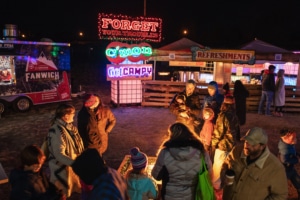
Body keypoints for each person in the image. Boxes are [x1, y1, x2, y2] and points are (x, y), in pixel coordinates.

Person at [221, 127, 288, 200]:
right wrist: (224, 175)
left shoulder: (275, 168)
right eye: (246, 141)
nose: (247, 145)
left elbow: (281, 195)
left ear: (262, 146)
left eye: (252, 144)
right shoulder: (236, 152)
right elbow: (225, 165)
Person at [151, 122, 213, 200]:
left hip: (170, 195)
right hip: (193, 195)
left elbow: (156, 176)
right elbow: (209, 174)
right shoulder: (201, 152)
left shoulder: (165, 153)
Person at [47, 104, 85, 198]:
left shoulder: (68, 128)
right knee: (62, 193)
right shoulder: (57, 131)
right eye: (72, 113)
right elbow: (59, 154)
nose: (74, 115)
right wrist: (76, 164)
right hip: (62, 170)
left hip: (70, 167)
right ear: (66, 116)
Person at [211, 95, 240, 199]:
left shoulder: (223, 115)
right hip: (232, 146)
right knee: (229, 167)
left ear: (224, 103)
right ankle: (228, 187)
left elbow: (218, 132)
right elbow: (237, 131)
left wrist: (213, 144)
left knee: (218, 168)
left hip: (223, 146)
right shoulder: (234, 115)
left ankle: (216, 190)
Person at [278, 128, 300, 199]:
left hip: (290, 169)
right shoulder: (284, 149)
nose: (295, 139)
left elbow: (292, 151)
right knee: (280, 187)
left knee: (298, 182)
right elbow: (284, 160)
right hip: (285, 171)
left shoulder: (289, 143)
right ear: (285, 138)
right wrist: (297, 160)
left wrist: (297, 154)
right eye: (293, 138)